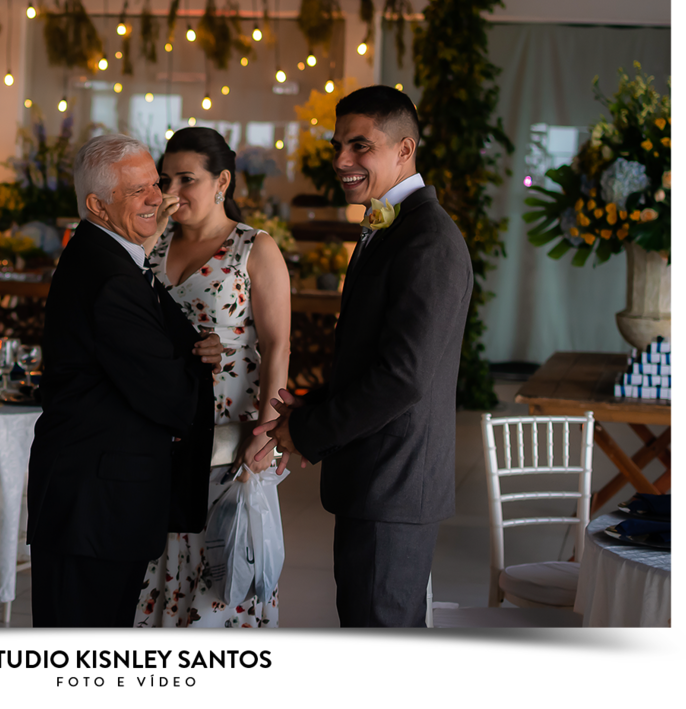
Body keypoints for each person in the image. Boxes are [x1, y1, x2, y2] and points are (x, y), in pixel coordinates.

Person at [255, 85, 473, 628]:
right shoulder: (391, 226)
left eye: (360, 146)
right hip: (375, 477)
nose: (341, 161)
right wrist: (310, 406)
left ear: (405, 150)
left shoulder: (428, 239)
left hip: (394, 481)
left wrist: (310, 431)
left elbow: (403, 377)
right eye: (338, 147)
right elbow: (370, 355)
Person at [26, 133, 223, 628]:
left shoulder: (108, 256)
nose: (158, 197)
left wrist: (192, 346)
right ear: (98, 205)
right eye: (139, 191)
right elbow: (173, 398)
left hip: (92, 501)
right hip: (95, 507)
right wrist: (200, 361)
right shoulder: (110, 275)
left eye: (156, 183)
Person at [135, 126, 290, 628]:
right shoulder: (153, 246)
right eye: (166, 180)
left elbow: (278, 345)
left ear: (222, 181)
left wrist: (266, 432)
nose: (173, 191)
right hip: (161, 429)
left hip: (228, 434)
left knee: (221, 562)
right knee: (157, 560)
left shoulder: (253, 247)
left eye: (188, 179)